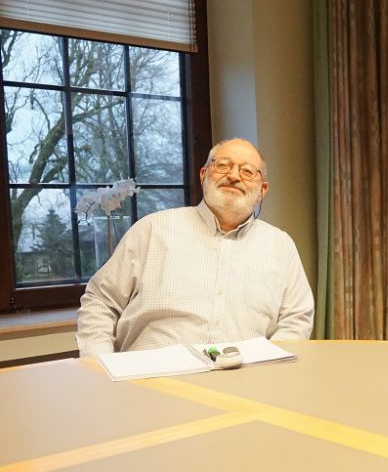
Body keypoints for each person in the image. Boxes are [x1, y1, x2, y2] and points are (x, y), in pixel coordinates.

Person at [76, 138, 314, 356]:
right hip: (150, 386)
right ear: (203, 175)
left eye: (248, 171)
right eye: (223, 165)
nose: (233, 176)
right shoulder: (152, 230)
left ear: (262, 190)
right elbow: (100, 301)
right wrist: (100, 363)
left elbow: (296, 318)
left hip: (247, 387)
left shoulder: (280, 245)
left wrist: (272, 369)